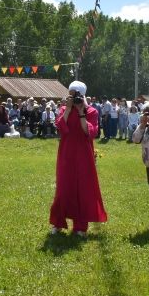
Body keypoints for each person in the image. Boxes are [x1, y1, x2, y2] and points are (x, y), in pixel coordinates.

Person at [48, 81, 107, 236]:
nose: (73, 97)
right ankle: (58, 222)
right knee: (63, 187)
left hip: (83, 153)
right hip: (66, 152)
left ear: (82, 95)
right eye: (70, 94)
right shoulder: (63, 109)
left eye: (75, 94)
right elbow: (61, 127)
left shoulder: (91, 111)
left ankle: (80, 227)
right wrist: (67, 110)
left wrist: (81, 112)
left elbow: (91, 133)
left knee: (82, 188)